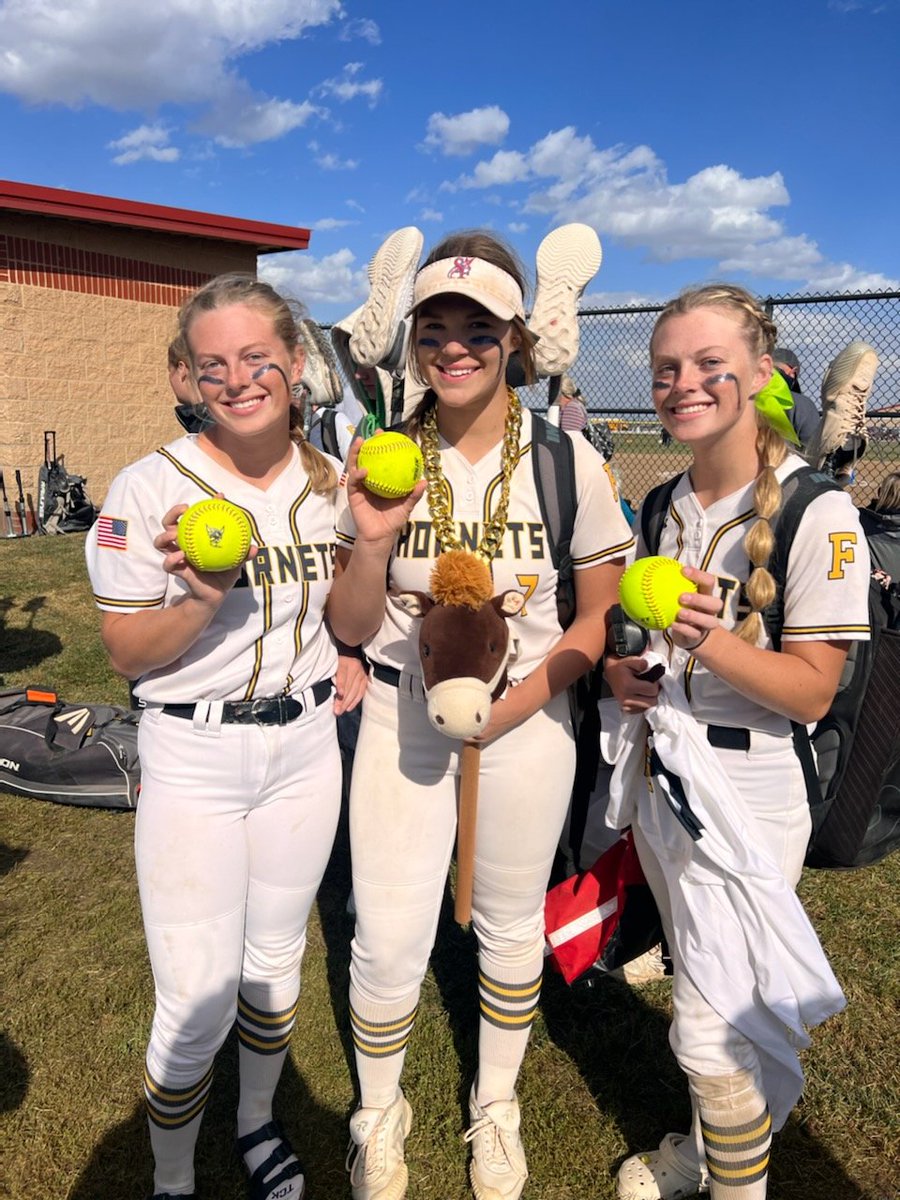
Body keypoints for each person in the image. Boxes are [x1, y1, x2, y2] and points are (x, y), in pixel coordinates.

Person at [327, 230, 634, 1200]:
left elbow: (596, 622)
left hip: (527, 725)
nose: (454, 348)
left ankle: (493, 1107)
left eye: (479, 330)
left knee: (506, 929)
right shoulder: (375, 455)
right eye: (434, 328)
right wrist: (371, 546)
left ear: (515, 341)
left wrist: (518, 706)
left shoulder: (568, 461)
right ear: (412, 338)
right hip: (401, 721)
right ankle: (380, 1111)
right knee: (384, 931)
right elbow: (348, 621)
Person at [86, 274, 365, 1200]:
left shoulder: (330, 478)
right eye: (215, 366)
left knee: (275, 964)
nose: (240, 380)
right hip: (194, 757)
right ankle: (171, 1178)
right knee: (195, 1000)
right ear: (186, 377)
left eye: (259, 358)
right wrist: (201, 598)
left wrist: (366, 559)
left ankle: (253, 1123)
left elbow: (350, 624)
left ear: (294, 362)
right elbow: (127, 650)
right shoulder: (149, 485)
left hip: (303, 751)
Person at [603, 284, 871, 1200]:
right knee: (706, 991)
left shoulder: (817, 509)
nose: (685, 384)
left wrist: (706, 640)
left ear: (761, 375)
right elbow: (637, 651)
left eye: (711, 366)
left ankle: (727, 1177)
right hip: (666, 777)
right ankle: (704, 1145)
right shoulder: (662, 503)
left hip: (750, 795)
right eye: (667, 369)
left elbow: (813, 691)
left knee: (710, 1031)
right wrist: (624, 676)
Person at [770, 346, 820, 450]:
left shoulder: (745, 393)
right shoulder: (802, 404)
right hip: (784, 462)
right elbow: (813, 450)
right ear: (793, 371)